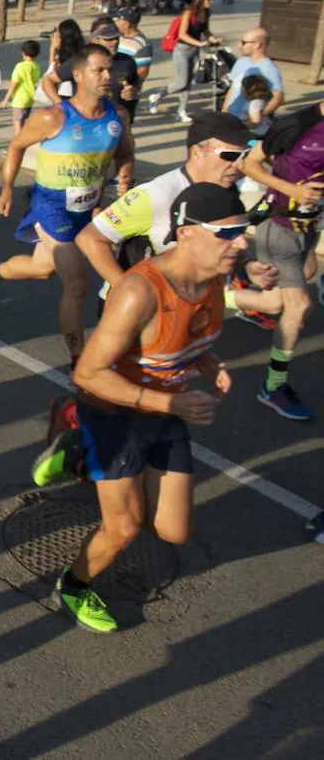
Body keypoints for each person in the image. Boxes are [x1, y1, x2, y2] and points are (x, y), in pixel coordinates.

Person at [31, 183, 245, 634]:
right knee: (124, 528)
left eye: (243, 231)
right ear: (186, 233)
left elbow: (184, 332)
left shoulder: (212, 278)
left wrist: (207, 361)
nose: (241, 242)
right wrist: (170, 401)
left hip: (166, 411)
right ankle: (72, 585)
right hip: (114, 413)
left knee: (173, 532)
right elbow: (88, 373)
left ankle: (78, 454)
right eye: (227, 234)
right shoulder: (138, 292)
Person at [0, 45, 135, 370]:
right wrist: (6, 189)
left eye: (109, 70)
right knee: (77, 283)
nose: (106, 77)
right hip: (51, 206)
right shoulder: (52, 116)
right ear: (77, 74)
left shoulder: (118, 115)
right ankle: (81, 363)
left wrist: (125, 175)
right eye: (98, 70)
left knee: (42, 268)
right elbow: (15, 147)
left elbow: (124, 154)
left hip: (88, 209)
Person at [77, 112, 281, 328]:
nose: (240, 166)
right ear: (198, 152)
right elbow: (90, 239)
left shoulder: (225, 193)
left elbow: (219, 243)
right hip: (134, 313)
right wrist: (129, 291)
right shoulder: (157, 194)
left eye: (245, 157)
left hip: (186, 308)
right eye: (230, 156)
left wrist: (246, 266)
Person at [241, 101, 324, 420]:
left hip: (308, 229)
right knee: (300, 306)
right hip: (279, 226)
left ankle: (222, 293)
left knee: (276, 303)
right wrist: (292, 189)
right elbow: (251, 164)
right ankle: (273, 386)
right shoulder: (297, 124)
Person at [146, 0, 219, 124]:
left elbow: (205, 30)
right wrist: (200, 43)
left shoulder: (207, 12)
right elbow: (182, 34)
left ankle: (181, 110)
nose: (211, 1)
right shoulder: (189, 12)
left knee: (188, 83)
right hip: (182, 50)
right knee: (182, 81)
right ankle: (157, 96)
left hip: (194, 50)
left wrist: (212, 38)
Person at [222, 28, 285, 123]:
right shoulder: (241, 62)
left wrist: (258, 118)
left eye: (244, 42)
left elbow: (278, 98)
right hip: (232, 118)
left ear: (257, 45)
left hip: (247, 122)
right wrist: (224, 112)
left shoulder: (269, 68)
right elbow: (232, 89)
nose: (239, 45)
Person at [0, 40, 42, 133]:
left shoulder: (20, 66)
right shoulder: (36, 66)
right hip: (29, 99)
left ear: (23, 52)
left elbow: (14, 83)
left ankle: (17, 146)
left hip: (19, 100)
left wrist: (5, 99)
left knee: (17, 125)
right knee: (24, 124)